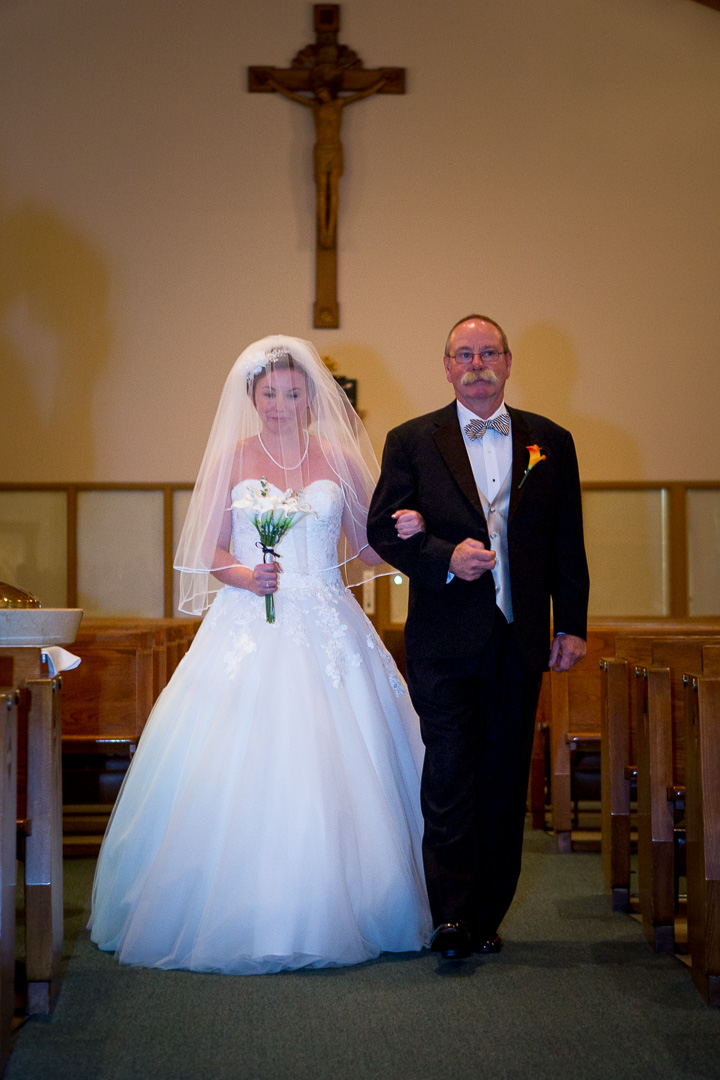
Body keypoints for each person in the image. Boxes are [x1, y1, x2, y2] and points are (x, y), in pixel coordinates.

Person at [89, 335, 432, 974]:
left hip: (328, 619)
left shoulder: (340, 459)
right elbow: (209, 549)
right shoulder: (232, 457)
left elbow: (365, 549)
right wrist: (246, 576)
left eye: (293, 391)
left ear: (313, 396)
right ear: (251, 396)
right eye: (269, 392)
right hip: (248, 618)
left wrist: (408, 532)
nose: (281, 403)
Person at [367, 314, 590, 960]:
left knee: (502, 776)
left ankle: (489, 913)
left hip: (520, 638)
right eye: (463, 354)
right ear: (446, 366)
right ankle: (451, 916)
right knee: (449, 774)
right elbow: (383, 529)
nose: (476, 364)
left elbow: (566, 540)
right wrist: (442, 556)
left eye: (488, 352)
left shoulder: (551, 440)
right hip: (443, 638)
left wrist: (571, 622)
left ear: (508, 361)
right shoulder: (411, 441)